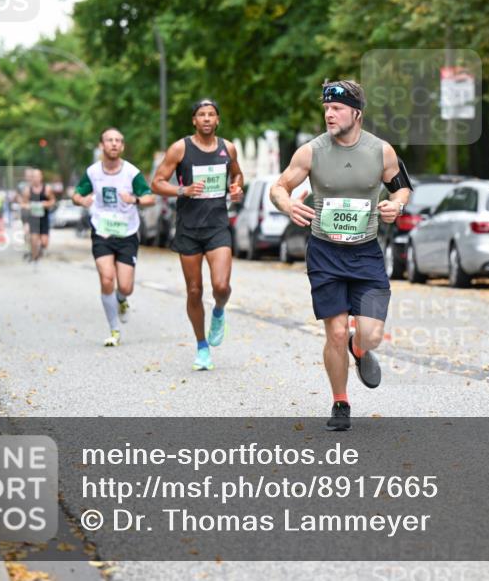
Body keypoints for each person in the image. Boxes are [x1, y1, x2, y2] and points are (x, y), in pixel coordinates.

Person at [270, 80, 411, 431]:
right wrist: (287, 204)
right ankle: (340, 402)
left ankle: (359, 348)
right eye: (326, 109)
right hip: (324, 252)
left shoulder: (382, 152)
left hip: (366, 253)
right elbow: (279, 186)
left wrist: (397, 205)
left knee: (372, 335)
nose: (329, 114)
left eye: (337, 109)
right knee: (333, 332)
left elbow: (402, 187)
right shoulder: (311, 152)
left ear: (357, 113)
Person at [151, 98, 244, 370]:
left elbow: (237, 177)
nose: (206, 119)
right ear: (194, 120)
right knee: (194, 290)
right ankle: (202, 346)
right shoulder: (180, 148)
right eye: (201, 114)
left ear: (217, 120)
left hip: (217, 226)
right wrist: (183, 190)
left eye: (211, 114)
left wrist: (236, 189)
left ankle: (218, 311)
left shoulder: (228, 148)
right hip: (189, 229)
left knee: (221, 286)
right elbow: (156, 183)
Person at [72, 128, 155, 347]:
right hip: (102, 231)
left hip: (127, 232)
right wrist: (81, 201)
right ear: (102, 145)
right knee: (107, 278)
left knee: (125, 287)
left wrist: (134, 200)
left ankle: (121, 299)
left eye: (118, 140)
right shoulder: (92, 172)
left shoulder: (131, 172)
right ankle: (114, 330)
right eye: (110, 140)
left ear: (123, 146)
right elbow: (76, 194)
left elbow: (149, 198)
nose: (114, 144)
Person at [22, 168, 56, 262]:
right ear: (31, 178)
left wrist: (46, 204)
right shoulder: (27, 190)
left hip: (44, 218)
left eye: (37, 176)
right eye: (33, 177)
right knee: (33, 239)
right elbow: (23, 204)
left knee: (44, 242)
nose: (35, 178)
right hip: (33, 218)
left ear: (41, 177)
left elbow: (53, 201)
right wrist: (28, 206)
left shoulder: (47, 189)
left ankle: (38, 252)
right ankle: (34, 256)